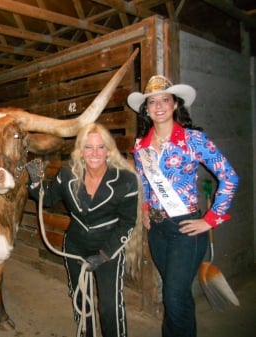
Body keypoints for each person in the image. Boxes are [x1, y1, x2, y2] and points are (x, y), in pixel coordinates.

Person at [128, 75, 239, 337]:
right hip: (157, 230)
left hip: (186, 229)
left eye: (164, 100)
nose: (158, 106)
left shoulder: (194, 140)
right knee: (175, 295)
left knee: (174, 297)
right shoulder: (140, 146)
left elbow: (230, 177)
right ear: (146, 109)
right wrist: (144, 209)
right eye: (151, 102)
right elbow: (143, 181)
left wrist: (211, 219)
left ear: (175, 104)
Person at [27, 123, 141, 337]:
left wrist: (104, 255)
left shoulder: (125, 180)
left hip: (109, 248)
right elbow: (49, 199)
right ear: (80, 150)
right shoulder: (67, 174)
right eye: (88, 147)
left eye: (101, 147)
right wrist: (35, 183)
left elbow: (127, 223)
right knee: (81, 300)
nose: (95, 153)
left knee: (109, 305)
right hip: (75, 245)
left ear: (109, 150)